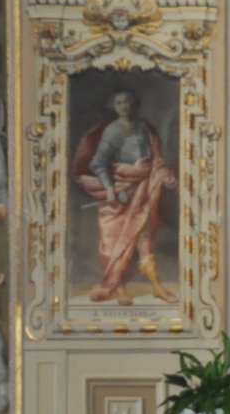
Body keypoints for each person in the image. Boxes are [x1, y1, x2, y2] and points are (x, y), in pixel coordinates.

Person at [72, 87, 177, 303]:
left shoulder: (145, 129)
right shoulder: (112, 131)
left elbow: (156, 160)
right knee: (115, 243)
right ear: (114, 106)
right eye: (119, 103)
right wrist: (111, 190)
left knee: (144, 238)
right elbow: (98, 163)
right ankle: (119, 289)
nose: (124, 106)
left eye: (127, 102)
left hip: (144, 191)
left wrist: (164, 176)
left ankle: (157, 287)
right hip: (119, 192)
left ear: (134, 104)